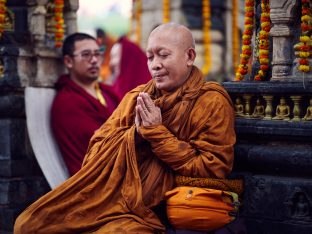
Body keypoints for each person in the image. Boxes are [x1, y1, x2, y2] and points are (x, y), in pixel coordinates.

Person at [14, 23, 236, 233]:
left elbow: (213, 168)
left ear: (189, 56)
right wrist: (137, 135)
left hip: (153, 209)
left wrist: (157, 134)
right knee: (28, 224)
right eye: (150, 57)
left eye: (163, 55)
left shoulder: (210, 101)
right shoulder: (136, 97)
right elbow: (94, 153)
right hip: (109, 196)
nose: (154, 64)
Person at [50, 33, 120, 176]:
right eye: (86, 55)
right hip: (98, 181)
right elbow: (102, 147)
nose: (94, 60)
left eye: (97, 54)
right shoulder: (68, 102)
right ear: (69, 61)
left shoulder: (107, 93)